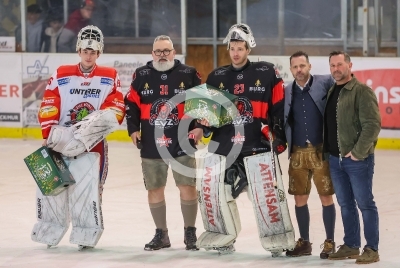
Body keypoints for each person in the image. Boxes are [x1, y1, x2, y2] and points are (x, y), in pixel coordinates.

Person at [196, 23, 287, 254]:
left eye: (240, 48)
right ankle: (226, 239)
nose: (236, 52)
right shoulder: (216, 76)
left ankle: (277, 241)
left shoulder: (267, 72)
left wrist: (279, 137)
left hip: (257, 147)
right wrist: (202, 127)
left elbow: (278, 109)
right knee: (222, 194)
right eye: (232, 48)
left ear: (249, 49)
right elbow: (206, 117)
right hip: (225, 148)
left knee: (264, 197)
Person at [34, 25, 125, 250]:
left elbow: (115, 106)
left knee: (91, 188)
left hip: (91, 142)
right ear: (78, 50)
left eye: (93, 52)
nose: (88, 55)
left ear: (99, 53)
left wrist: (89, 130)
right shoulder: (62, 73)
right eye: (85, 50)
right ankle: (50, 226)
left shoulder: (109, 76)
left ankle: (87, 230)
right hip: (61, 139)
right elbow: (49, 102)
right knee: (53, 185)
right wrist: (48, 134)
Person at [124, 35, 203, 251]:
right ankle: (162, 234)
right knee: (154, 188)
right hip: (151, 143)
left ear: (174, 52)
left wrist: (200, 127)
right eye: (158, 51)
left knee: (187, 186)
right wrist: (132, 129)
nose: (162, 55)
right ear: (152, 54)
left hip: (182, 143)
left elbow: (203, 103)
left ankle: (190, 232)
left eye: (166, 51)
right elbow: (131, 103)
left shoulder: (188, 74)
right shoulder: (141, 75)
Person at [324, 51, 381, 264]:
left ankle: (371, 248)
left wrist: (358, 152)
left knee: (365, 203)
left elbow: (372, 125)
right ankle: (351, 245)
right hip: (335, 160)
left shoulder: (362, 91)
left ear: (349, 65)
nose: (336, 69)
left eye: (340, 64)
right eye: (332, 65)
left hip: (357, 160)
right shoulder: (332, 91)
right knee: (345, 204)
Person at [284, 51, 336, 259]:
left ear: (310, 66)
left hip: (320, 150)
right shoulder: (288, 91)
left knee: (326, 196)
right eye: (295, 67)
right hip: (297, 152)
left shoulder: (325, 83)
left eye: (302, 66)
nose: (299, 70)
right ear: (291, 69)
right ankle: (304, 242)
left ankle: (330, 241)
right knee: (299, 198)